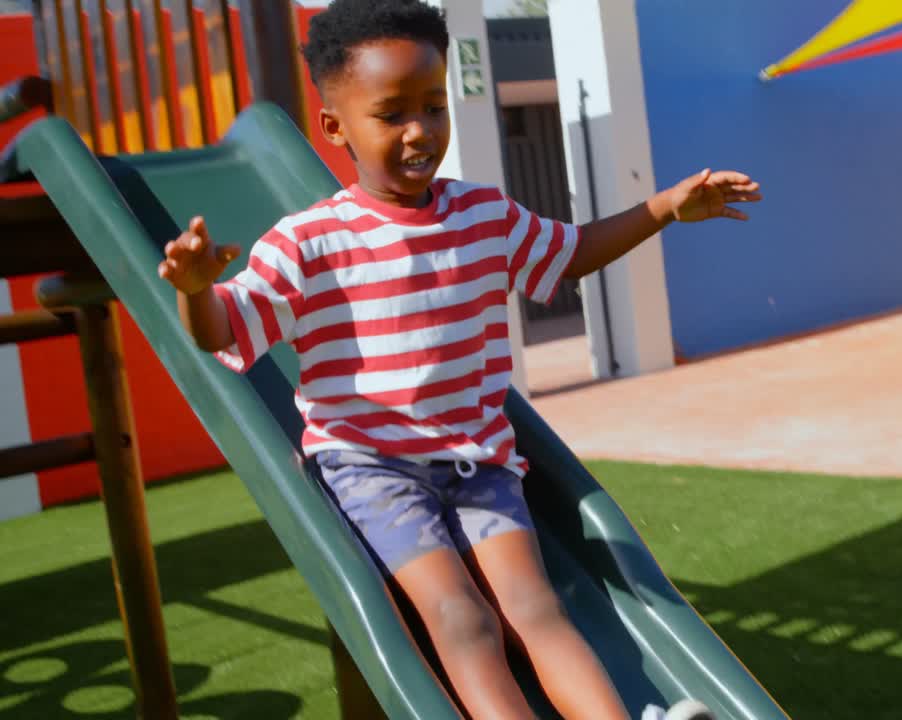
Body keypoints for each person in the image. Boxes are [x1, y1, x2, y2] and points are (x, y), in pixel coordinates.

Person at [157, 1, 760, 718]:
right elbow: (223, 327)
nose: (420, 131)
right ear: (335, 127)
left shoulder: (483, 216)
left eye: (433, 106)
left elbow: (570, 254)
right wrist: (197, 290)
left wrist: (662, 207)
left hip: (479, 462)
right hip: (373, 468)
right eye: (391, 114)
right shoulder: (308, 242)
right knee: (461, 617)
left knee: (536, 607)